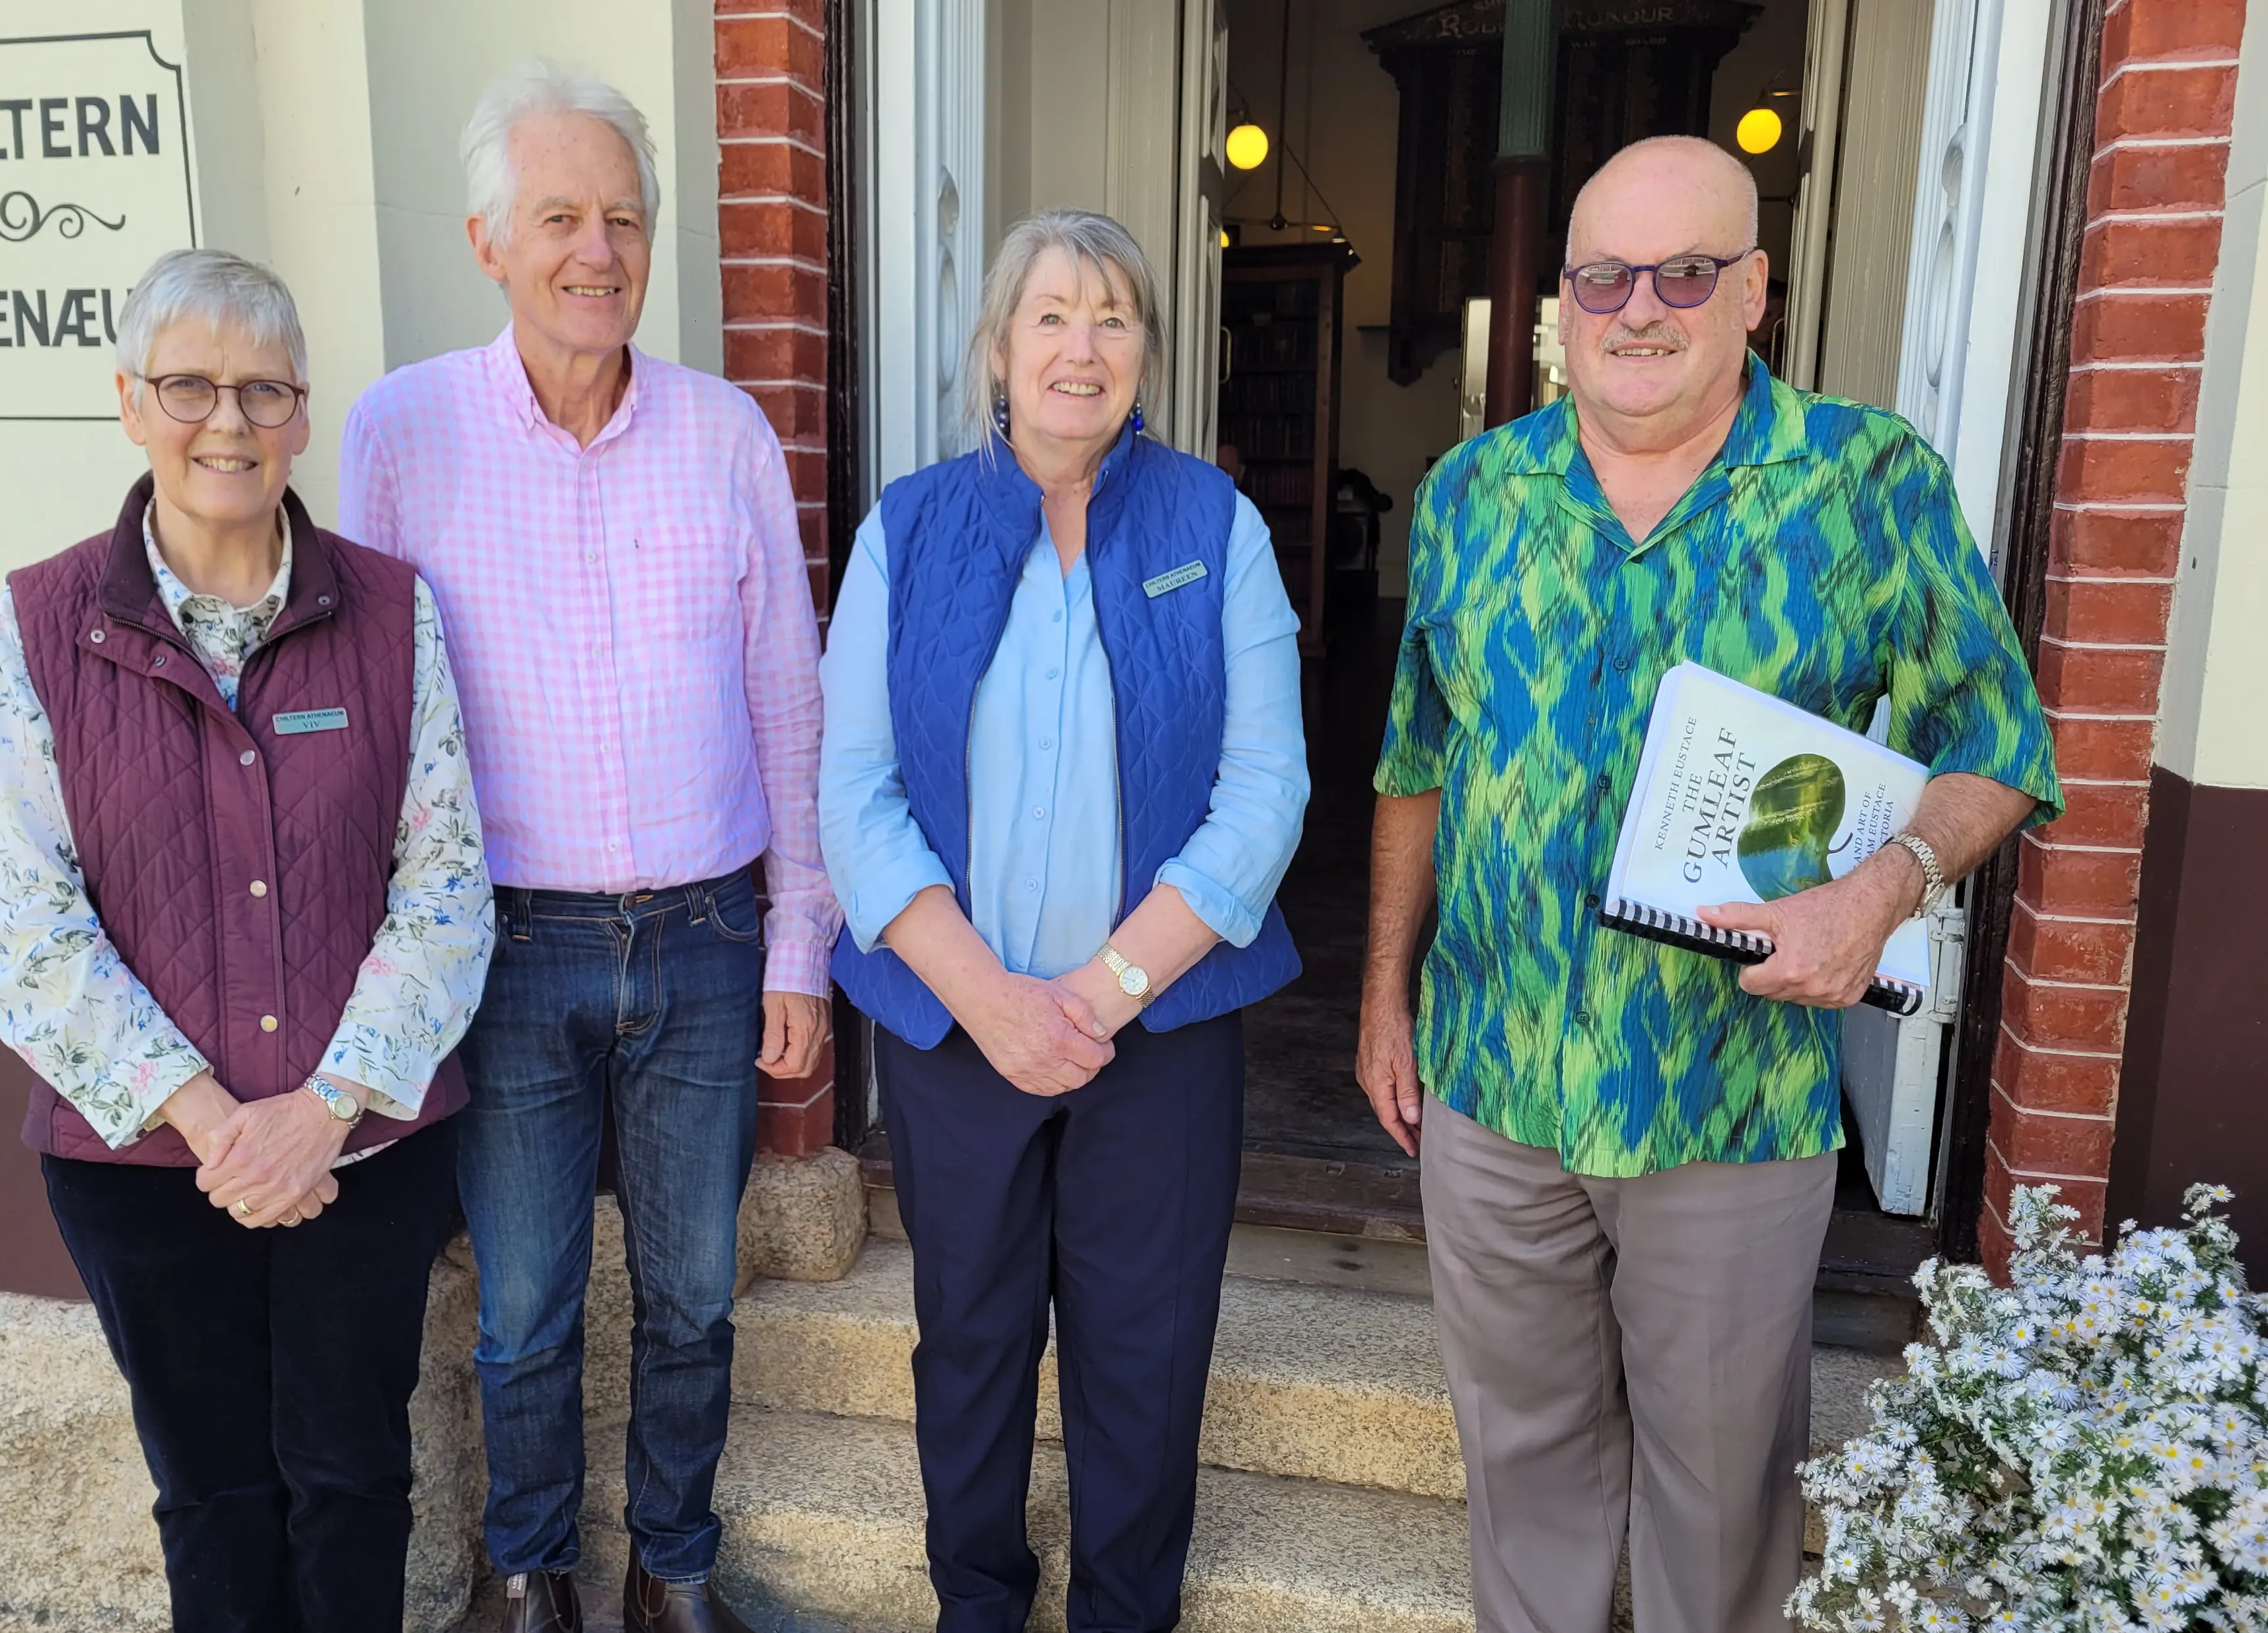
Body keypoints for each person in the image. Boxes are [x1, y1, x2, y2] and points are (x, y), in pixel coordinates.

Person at [1356, 135, 2063, 1633]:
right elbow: (1416, 763)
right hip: (1494, 1075)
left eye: (1685, 273)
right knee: (1520, 1463)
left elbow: (1999, 747)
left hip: (1730, 1098)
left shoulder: (1864, 483)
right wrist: (1382, 1001)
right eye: (1603, 276)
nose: (1639, 308)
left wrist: (1882, 889)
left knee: (1724, 1489)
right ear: (1562, 301)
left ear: (1754, 290)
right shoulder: (1476, 491)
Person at [339, 60, 840, 1633]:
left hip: (703, 936)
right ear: (488, 240)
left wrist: (798, 945)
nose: (598, 251)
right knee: (524, 1307)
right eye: (559, 216)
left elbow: (789, 698)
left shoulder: (724, 432)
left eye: (623, 218)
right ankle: (528, 1573)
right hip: (506, 943)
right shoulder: (401, 431)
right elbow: (374, 714)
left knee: (694, 1296)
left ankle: (670, 1570)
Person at [0, 246, 494, 1633]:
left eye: (265, 390)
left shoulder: (392, 612)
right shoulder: (40, 622)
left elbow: (446, 888)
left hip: (363, 1155)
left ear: (303, 414)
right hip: (145, 1167)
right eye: (191, 386)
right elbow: (30, 930)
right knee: (211, 1495)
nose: (229, 421)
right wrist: (221, 1128)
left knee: (353, 1480)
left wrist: (320, 1117)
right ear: (130, 403)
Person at [820, 209, 1311, 1633]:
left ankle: (1124, 1613)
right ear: (998, 347)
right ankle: (975, 1603)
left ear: (1148, 349)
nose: (1080, 347)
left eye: (1112, 316)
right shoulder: (908, 528)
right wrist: (990, 1001)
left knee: (1144, 1357)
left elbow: (1266, 790)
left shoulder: (1215, 525)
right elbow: (855, 791)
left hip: (1155, 1034)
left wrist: (1098, 994)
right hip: (954, 1028)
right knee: (969, 1344)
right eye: (1050, 315)